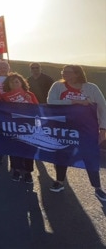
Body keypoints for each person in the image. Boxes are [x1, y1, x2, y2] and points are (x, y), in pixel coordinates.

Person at [47, 65, 106, 202]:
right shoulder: (57, 86)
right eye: (63, 71)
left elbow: (103, 107)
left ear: (77, 73)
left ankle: (97, 187)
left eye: (68, 72)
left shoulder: (91, 88)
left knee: (89, 155)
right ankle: (60, 181)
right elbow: (51, 102)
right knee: (62, 153)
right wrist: (76, 102)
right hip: (64, 128)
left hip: (87, 129)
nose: (64, 74)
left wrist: (103, 128)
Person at [1, 72, 39, 184]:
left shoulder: (30, 94)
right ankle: (16, 170)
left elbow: (38, 110)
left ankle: (28, 172)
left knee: (29, 149)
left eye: (16, 81)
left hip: (29, 127)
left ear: (22, 83)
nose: (14, 83)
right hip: (13, 126)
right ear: (8, 85)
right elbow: (1, 111)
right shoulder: (4, 97)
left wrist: (30, 101)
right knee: (15, 148)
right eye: (11, 82)